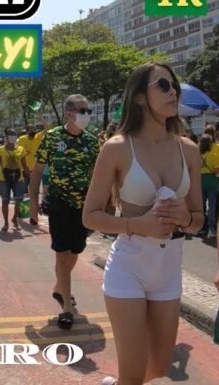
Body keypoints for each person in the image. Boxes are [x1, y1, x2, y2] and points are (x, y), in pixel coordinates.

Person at [82, 63, 203, 385]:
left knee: (160, 368)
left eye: (173, 84)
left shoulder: (189, 149)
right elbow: (91, 215)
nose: (173, 90)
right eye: (162, 85)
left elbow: (199, 222)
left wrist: (185, 218)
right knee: (133, 375)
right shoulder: (117, 148)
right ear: (138, 98)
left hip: (168, 269)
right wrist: (140, 224)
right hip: (129, 267)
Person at [29, 94, 99, 331]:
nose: (87, 115)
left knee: (75, 251)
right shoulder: (52, 137)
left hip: (83, 205)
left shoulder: (92, 141)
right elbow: (37, 172)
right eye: (83, 111)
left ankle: (60, 287)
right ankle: (67, 306)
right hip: (59, 203)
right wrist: (33, 205)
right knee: (62, 252)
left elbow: (100, 176)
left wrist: (105, 204)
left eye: (88, 111)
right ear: (69, 113)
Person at [0, 128, 29, 232]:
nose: (13, 136)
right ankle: (6, 223)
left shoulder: (21, 149)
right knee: (5, 201)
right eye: (10, 135)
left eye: (14, 134)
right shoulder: (0, 150)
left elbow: (25, 166)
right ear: (6, 137)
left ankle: (15, 218)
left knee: (19, 200)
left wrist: (31, 177)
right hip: (4, 179)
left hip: (18, 178)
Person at [199, 134, 219, 238]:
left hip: (201, 181)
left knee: (201, 205)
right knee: (212, 206)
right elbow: (217, 170)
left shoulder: (198, 155)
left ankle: (201, 227)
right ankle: (211, 229)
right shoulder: (213, 155)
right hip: (211, 181)